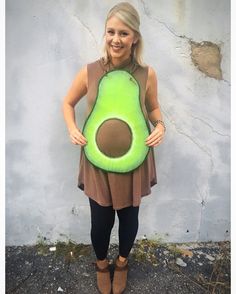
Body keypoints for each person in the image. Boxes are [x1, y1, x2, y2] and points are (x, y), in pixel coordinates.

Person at [62, 2, 165, 293]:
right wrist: (71, 128)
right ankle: (101, 264)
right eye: (111, 32)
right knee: (101, 222)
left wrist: (160, 126)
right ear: (105, 34)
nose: (116, 39)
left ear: (135, 38)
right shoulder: (90, 71)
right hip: (96, 162)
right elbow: (68, 103)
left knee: (129, 219)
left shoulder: (148, 74)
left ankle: (122, 263)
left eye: (123, 32)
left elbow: (154, 108)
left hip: (135, 161)